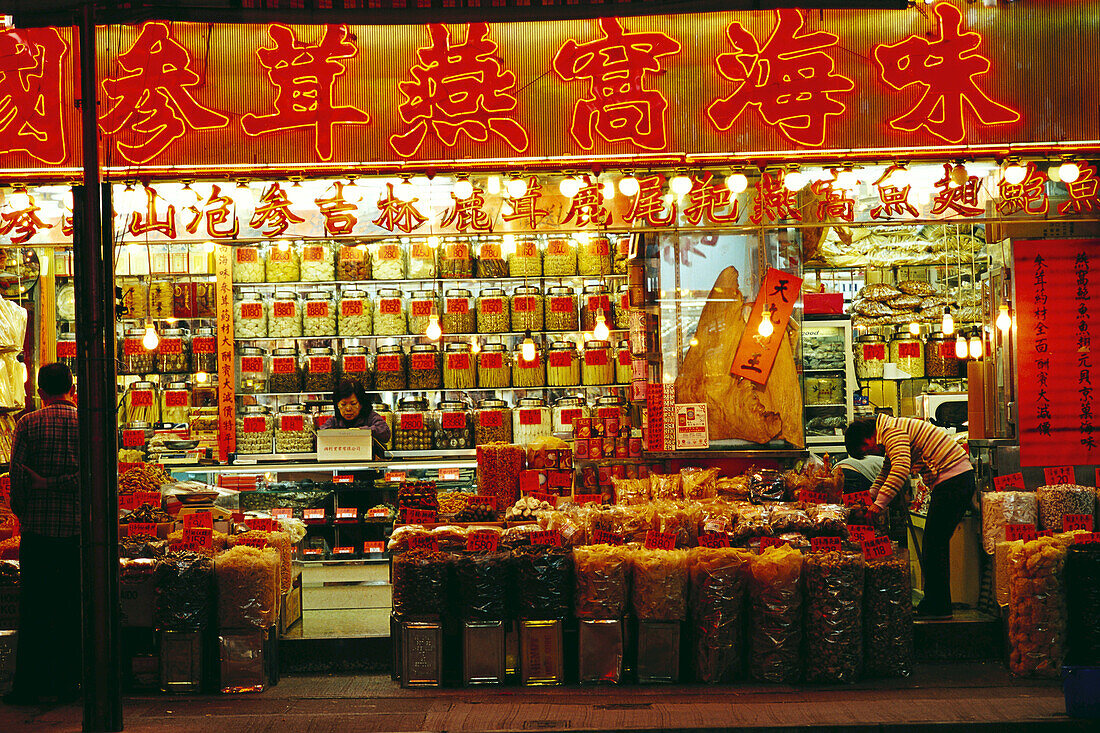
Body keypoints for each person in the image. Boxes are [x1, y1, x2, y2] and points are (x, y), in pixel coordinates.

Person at [844, 414, 974, 620]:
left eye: (867, 449)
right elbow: (887, 469)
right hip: (953, 481)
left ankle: (938, 607)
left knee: (934, 544)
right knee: (934, 543)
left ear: (867, 437)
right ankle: (934, 603)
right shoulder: (890, 430)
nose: (872, 451)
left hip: (954, 481)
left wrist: (878, 506)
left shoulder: (891, 431)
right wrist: (869, 496)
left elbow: (900, 469)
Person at [4, 363, 81, 706]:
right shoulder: (89, 424)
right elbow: (99, 476)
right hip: (80, 534)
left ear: (39, 392)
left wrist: (28, 509)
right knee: (73, 607)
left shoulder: (27, 424)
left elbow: (16, 478)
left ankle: (31, 686)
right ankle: (71, 683)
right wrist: (66, 486)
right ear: (72, 388)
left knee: (34, 609)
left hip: (37, 533)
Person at [319, 379, 391, 445]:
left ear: (361, 404)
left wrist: (360, 432)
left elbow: (385, 432)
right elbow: (320, 434)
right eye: (343, 404)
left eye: (353, 404)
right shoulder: (335, 421)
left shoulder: (371, 417)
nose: (348, 408)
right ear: (337, 405)